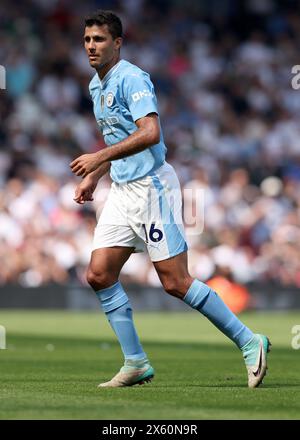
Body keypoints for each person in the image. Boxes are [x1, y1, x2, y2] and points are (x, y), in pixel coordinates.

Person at [70, 10, 271, 388]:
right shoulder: (96, 86)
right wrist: (96, 176)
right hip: (123, 190)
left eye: (99, 40)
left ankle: (249, 341)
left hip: (151, 188)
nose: (91, 46)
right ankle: (135, 363)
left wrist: (96, 159)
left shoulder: (132, 78)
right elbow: (118, 140)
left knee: (175, 282)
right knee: (98, 274)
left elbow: (150, 132)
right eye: (86, 40)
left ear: (117, 43)